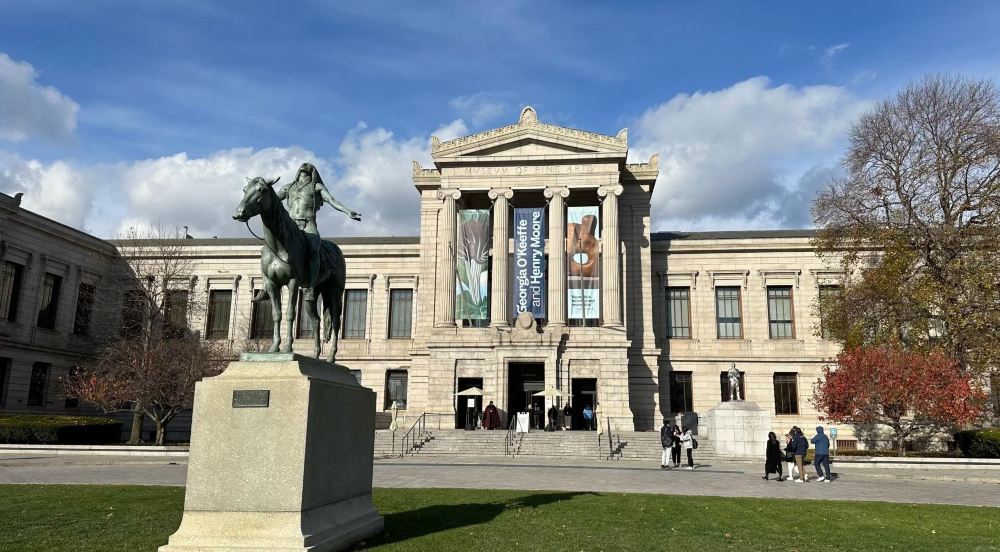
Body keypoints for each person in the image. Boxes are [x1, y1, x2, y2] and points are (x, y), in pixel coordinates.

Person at [274, 162, 361, 300]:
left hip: (308, 224)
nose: (305, 165)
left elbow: (331, 200)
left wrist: (347, 211)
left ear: (313, 172)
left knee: (314, 249)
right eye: (303, 165)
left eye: (308, 166)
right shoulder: (288, 187)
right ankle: (266, 287)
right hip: (291, 226)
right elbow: (272, 200)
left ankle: (310, 286)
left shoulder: (316, 187)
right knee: (271, 247)